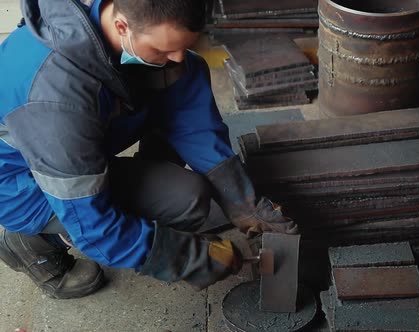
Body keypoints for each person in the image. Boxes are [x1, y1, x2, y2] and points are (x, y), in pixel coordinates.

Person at [0, 0, 298, 299]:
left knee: (182, 75)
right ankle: (34, 242)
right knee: (186, 199)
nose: (177, 55)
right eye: (163, 49)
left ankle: (140, 207)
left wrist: (242, 202)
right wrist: (184, 258)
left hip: (73, 144)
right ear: (121, 27)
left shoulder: (120, 30)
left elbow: (195, 126)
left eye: (184, 44)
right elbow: (94, 227)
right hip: (19, 183)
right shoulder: (55, 102)